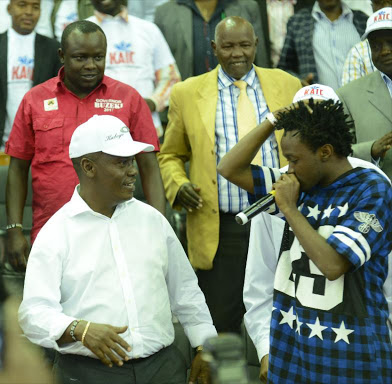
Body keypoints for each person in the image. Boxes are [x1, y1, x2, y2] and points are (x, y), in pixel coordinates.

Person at [19, 114, 217, 384]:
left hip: (163, 367)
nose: (133, 170)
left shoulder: (153, 221)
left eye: (132, 161)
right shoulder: (56, 233)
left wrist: (204, 346)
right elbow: (33, 313)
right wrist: (80, 329)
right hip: (88, 373)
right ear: (88, 167)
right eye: (121, 163)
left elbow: (186, 293)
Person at [217, 95, 392, 382]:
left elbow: (333, 265)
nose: (289, 168)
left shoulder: (371, 189)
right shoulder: (304, 183)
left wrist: (288, 207)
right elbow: (229, 168)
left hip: (352, 357)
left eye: (294, 159)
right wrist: (273, 121)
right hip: (293, 352)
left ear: (324, 152)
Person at [158, 16, 301, 333]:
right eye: (228, 46)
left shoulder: (287, 85)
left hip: (281, 220)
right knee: (221, 323)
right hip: (222, 228)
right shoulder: (186, 93)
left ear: (257, 45)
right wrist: (178, 184)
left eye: (244, 45)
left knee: (283, 318)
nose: (237, 53)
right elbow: (170, 154)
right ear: (214, 47)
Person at [5, 20, 165, 271]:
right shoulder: (35, 100)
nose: (91, 66)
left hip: (117, 230)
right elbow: (16, 169)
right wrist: (14, 229)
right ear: (62, 56)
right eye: (80, 58)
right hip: (52, 231)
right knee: (52, 308)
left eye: (98, 57)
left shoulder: (129, 99)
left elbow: (150, 168)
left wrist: (159, 227)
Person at [0, 0, 61, 160]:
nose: (29, 12)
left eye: (35, 7)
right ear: (9, 8)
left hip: (42, 149)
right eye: (22, 5)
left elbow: (60, 98)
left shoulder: (53, 49)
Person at [87, 0, 181, 137]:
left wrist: (153, 102)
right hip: (98, 132)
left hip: (147, 128)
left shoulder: (148, 29)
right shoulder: (81, 33)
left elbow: (171, 78)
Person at [337, 7, 392, 179]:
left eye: (391, 42)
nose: (384, 51)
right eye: (375, 46)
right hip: (380, 199)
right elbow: (336, 153)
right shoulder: (348, 95)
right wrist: (370, 150)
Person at [154, 0, 270, 80]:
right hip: (190, 98)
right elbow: (162, 69)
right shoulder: (164, 13)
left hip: (241, 94)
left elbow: (260, 58)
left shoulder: (247, 7)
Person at [278, 0, 367, 88]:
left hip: (361, 97)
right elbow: (284, 68)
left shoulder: (363, 20)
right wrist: (298, 81)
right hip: (318, 99)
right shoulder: (298, 21)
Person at [341, 0, 392, 86]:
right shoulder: (358, 53)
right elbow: (351, 96)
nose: (385, 51)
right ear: (372, 6)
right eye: (379, 2)